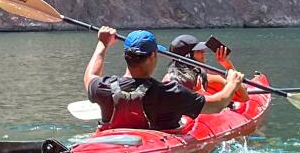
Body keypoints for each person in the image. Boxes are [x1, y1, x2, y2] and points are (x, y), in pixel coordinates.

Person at [82, 27, 244, 131]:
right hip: (156, 145)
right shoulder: (170, 92)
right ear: (153, 56)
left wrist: (102, 44)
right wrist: (232, 83)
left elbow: (90, 76)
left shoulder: (103, 87)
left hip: (111, 143)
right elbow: (217, 105)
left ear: (126, 56)